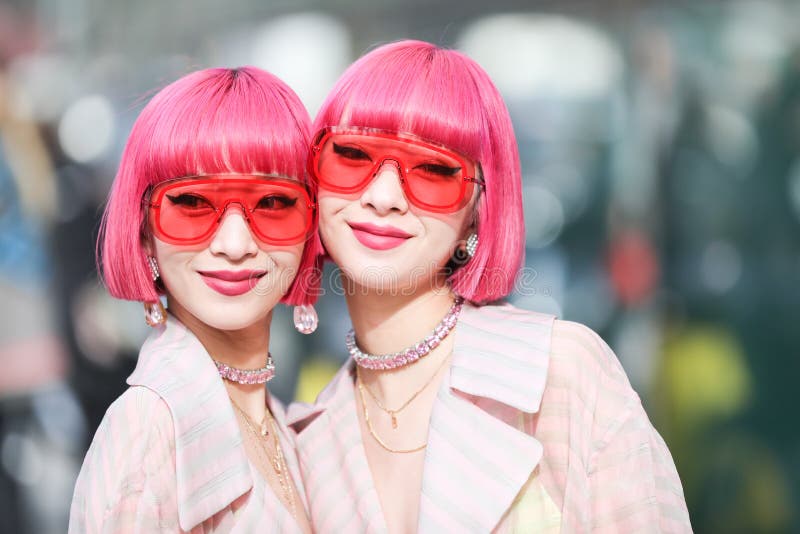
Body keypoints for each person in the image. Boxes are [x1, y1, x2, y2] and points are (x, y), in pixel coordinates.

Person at [287, 40, 692, 533]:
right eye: (351, 155)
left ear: (477, 211)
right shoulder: (305, 442)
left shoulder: (558, 375)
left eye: (433, 170)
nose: (384, 196)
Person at [69, 66, 320, 533]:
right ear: (143, 233)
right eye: (192, 205)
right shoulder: (148, 431)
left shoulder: (285, 424)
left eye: (273, 203)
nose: (234, 243)